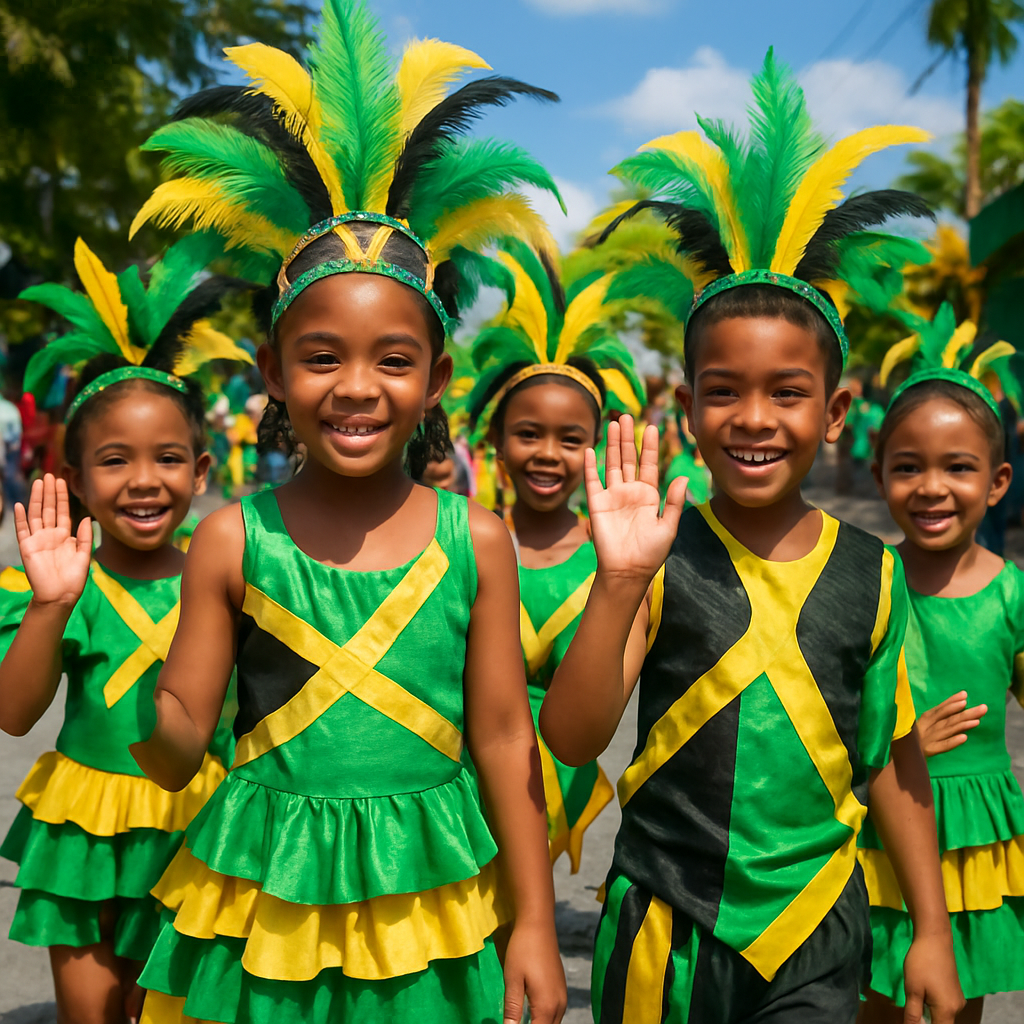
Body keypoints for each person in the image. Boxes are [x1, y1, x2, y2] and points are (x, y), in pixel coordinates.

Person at [125, 3, 567, 1020]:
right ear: (273, 371)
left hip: (431, 911)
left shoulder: (478, 540)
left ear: (437, 379)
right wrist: (95, 640)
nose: (356, 386)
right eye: (321, 357)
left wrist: (534, 920)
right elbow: (181, 734)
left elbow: (504, 735)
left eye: (392, 360)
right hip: (260, 906)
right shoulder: (233, 535)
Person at [539, 49, 964, 1024]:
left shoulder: (873, 571)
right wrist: (614, 585)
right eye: (723, 391)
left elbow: (892, 763)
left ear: (836, 409)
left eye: (787, 392)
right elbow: (568, 737)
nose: (754, 417)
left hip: (818, 933)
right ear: (686, 407)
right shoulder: (657, 555)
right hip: (662, 929)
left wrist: (931, 930)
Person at [0, 234, 249, 1023]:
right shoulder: (59, 585)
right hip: (85, 826)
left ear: (201, 473)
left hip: (201, 822)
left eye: (169, 458)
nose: (144, 481)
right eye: (114, 460)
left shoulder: (236, 580)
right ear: (74, 478)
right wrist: (50, 606)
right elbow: (12, 714)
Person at [859, 309, 1024, 1024]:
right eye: (909, 466)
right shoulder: (865, 582)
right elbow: (829, 711)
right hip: (884, 828)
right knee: (879, 1004)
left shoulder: (1013, 591)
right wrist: (896, 750)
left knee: (960, 1006)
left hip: (980, 840)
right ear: (878, 474)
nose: (932, 487)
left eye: (958, 468)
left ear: (997, 483)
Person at [466, 237, 647, 872]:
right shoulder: (460, 543)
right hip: (463, 785)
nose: (548, 454)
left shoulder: (620, 562)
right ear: (495, 440)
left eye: (571, 439)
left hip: (560, 781)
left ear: (595, 447)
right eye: (527, 433)